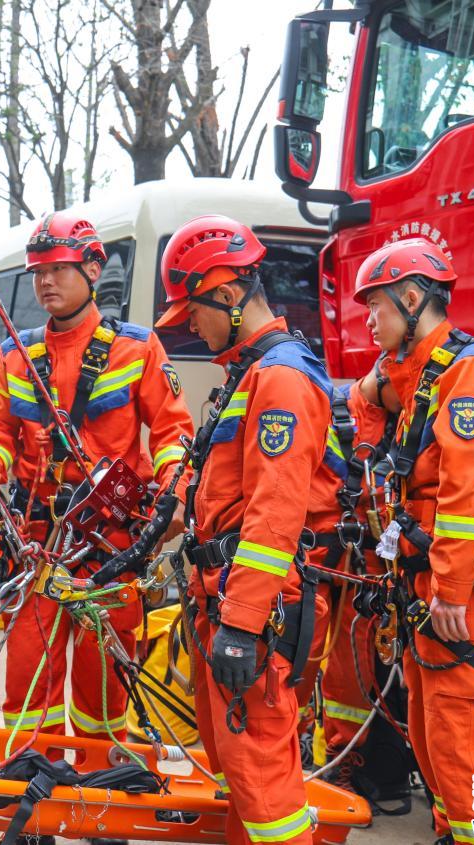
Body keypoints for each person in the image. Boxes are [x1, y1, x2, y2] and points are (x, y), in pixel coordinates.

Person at [0, 213, 193, 845]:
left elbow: (172, 432)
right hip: (40, 543)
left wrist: (173, 494)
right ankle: (31, 808)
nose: (45, 282)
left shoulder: (137, 348)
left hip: (110, 546)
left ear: (93, 269)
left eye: (59, 270)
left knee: (104, 688)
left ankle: (104, 807)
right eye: (38, 272)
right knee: (28, 684)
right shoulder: (13, 355)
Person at [155, 214, 338, 845]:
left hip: (256, 614)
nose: (192, 329)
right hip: (229, 602)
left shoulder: (280, 378)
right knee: (240, 778)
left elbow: (274, 514)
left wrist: (241, 624)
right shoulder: (250, 372)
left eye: (194, 313)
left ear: (229, 295)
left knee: (265, 790)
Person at [355, 237, 474, 845]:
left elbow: (469, 494)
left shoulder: (473, 372)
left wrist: (452, 589)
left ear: (412, 299)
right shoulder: (422, 376)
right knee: (437, 746)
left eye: (375, 306)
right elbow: (364, 398)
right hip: (424, 594)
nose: (368, 320)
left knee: (469, 750)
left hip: (460, 600)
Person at [317, 355, 414, 814]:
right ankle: (328, 760)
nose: (412, 401)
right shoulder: (336, 412)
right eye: (406, 391)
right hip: (333, 566)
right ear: (386, 377)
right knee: (322, 674)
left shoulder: (403, 419)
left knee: (363, 676)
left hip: (376, 573)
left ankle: (358, 764)